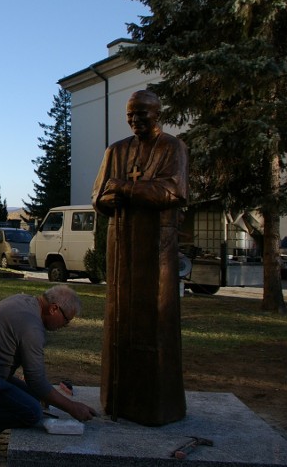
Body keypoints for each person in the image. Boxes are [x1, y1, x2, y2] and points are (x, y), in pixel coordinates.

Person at [92, 89, 188, 426]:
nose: (135, 120)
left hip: (156, 246)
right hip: (121, 241)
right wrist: (108, 199)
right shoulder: (116, 150)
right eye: (131, 115)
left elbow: (173, 190)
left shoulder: (173, 147)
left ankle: (156, 405)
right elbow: (100, 194)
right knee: (119, 319)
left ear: (157, 113)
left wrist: (126, 189)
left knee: (155, 320)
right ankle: (117, 400)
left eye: (142, 114)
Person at [0, 285, 97, 459]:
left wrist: (48, 395)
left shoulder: (24, 301)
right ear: (54, 309)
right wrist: (72, 407)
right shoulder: (32, 327)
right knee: (31, 412)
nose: (65, 325)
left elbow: (35, 380)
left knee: (31, 399)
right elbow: (36, 381)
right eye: (66, 320)